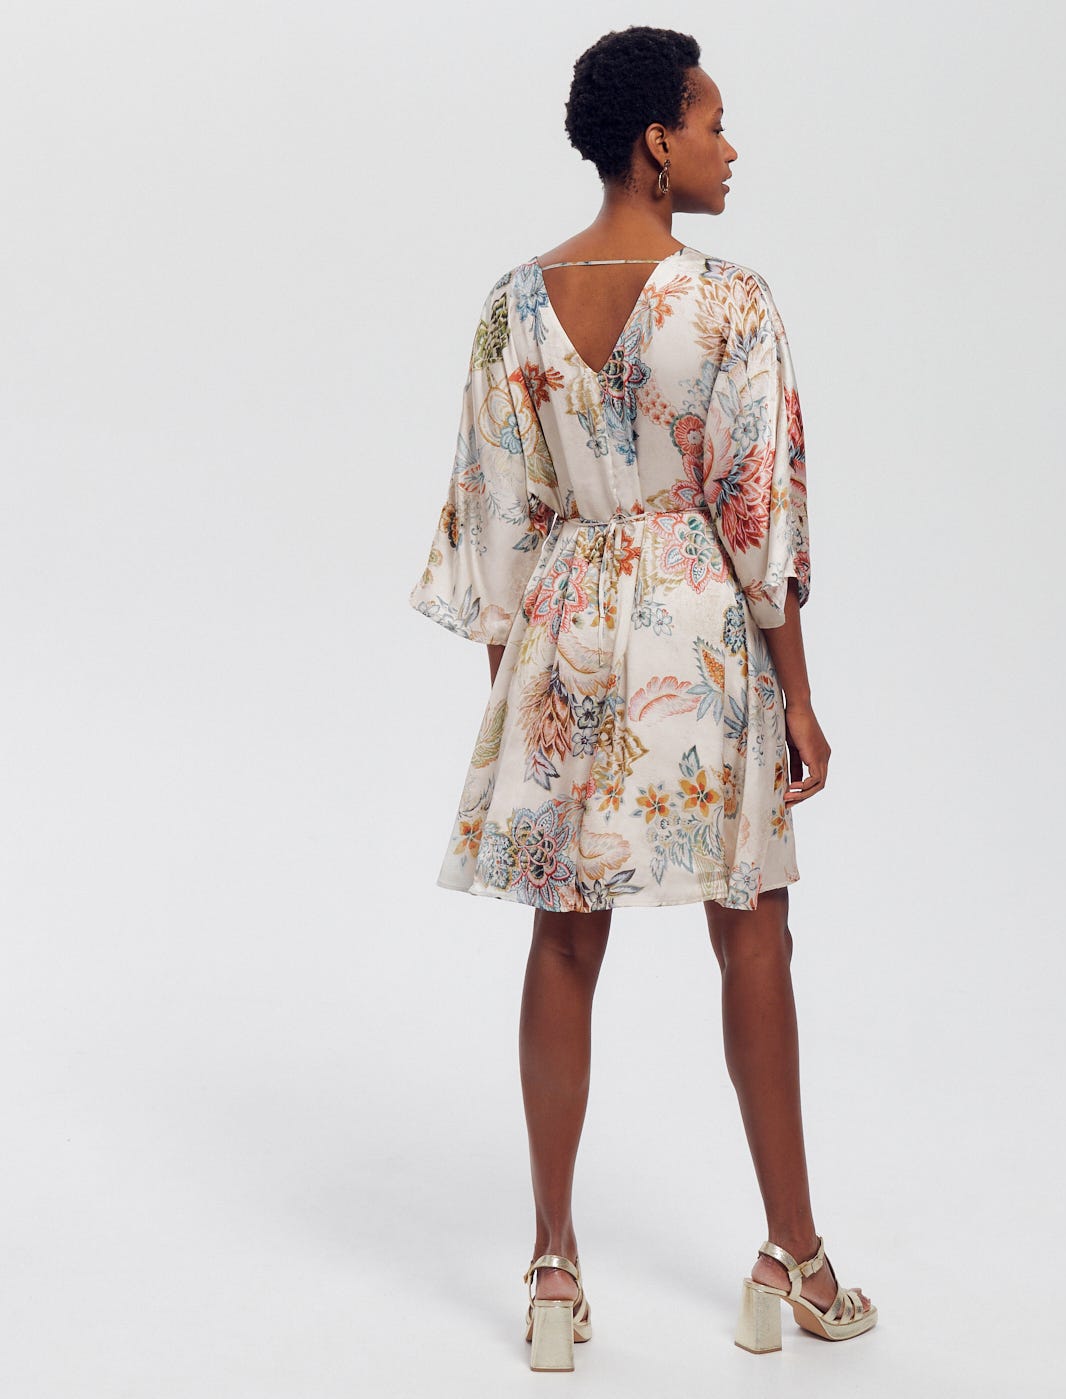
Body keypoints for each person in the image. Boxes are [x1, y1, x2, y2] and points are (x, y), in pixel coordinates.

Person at [409, 25, 877, 1371]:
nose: (732, 148)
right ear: (656, 142)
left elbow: (496, 525)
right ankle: (794, 1254)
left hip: (562, 632)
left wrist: (526, 713)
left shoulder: (513, 304)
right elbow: (760, 521)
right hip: (697, 630)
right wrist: (799, 697)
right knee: (755, 931)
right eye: (714, 123)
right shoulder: (731, 305)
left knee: (563, 942)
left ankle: (553, 1270)